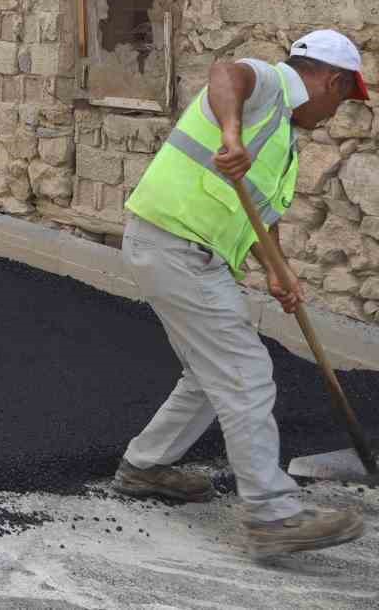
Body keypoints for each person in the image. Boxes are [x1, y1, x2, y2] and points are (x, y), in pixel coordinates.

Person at [114, 29, 369, 559]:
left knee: (210, 377)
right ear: (333, 80)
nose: (334, 114)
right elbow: (225, 73)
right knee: (246, 375)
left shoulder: (284, 143)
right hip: (175, 246)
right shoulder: (272, 86)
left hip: (180, 251)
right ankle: (272, 515)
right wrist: (230, 135)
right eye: (342, 100)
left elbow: (260, 218)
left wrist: (278, 273)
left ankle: (145, 466)